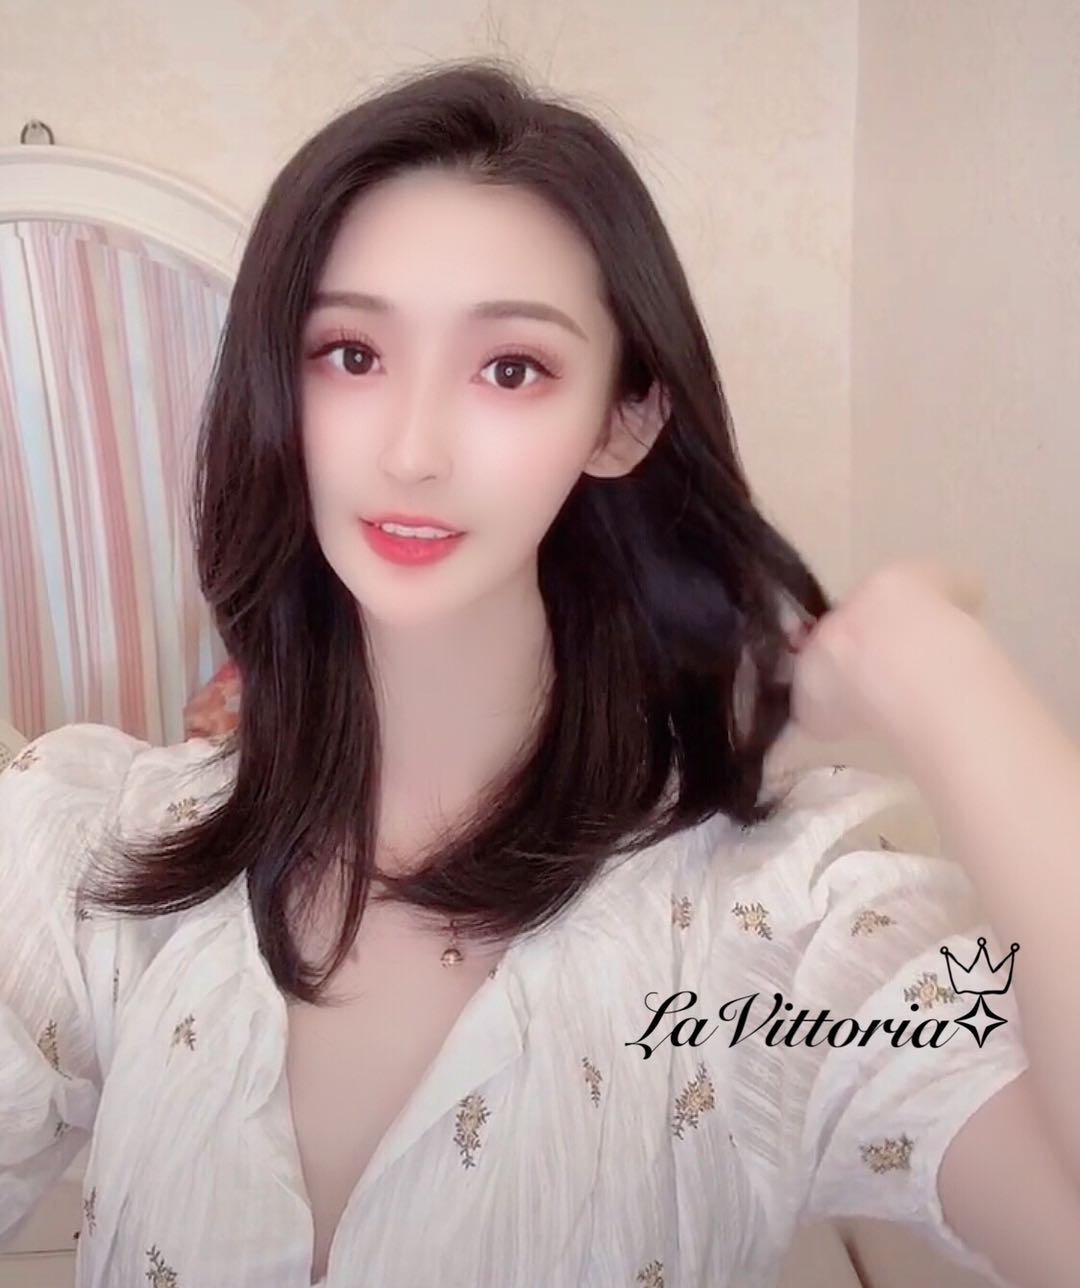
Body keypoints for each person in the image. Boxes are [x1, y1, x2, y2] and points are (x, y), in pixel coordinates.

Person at [1, 57, 1078, 1288]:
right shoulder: (110, 869)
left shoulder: (763, 931)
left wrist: (941, 676)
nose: (412, 449)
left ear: (623, 419)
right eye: (350, 353)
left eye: (510, 368)